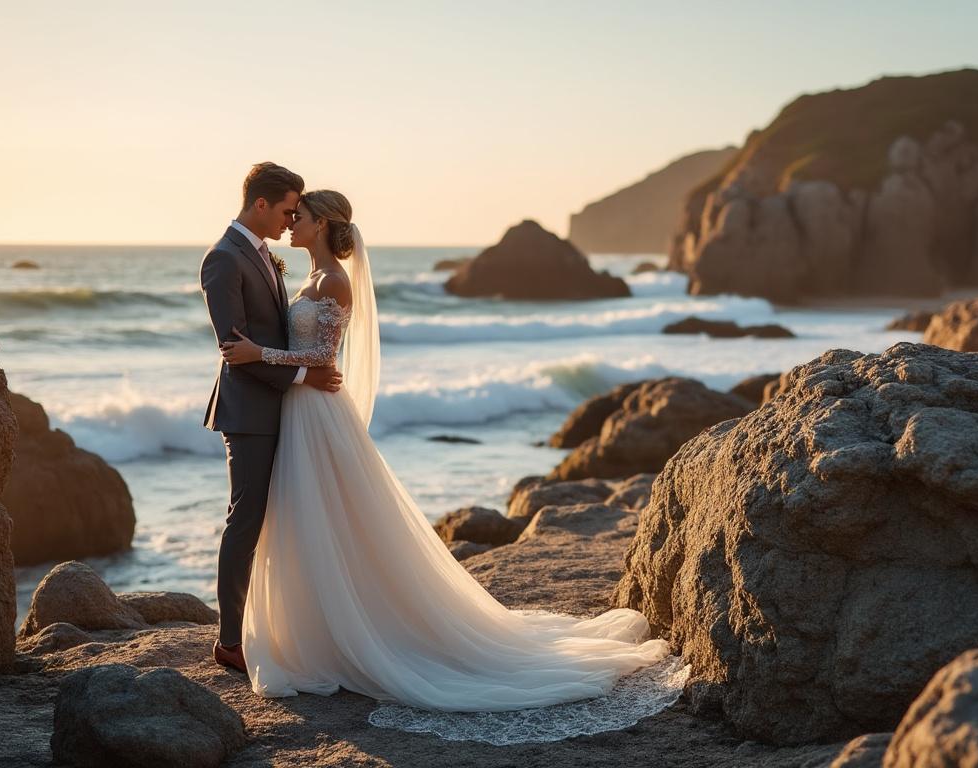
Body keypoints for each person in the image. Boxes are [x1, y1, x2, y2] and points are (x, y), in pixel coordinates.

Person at [218, 189, 683, 743]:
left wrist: (261, 356)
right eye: (290, 215)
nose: (292, 224)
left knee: (328, 517)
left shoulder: (334, 281)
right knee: (306, 518)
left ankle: (348, 631)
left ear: (321, 226)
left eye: (301, 217)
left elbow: (323, 360)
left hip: (316, 412)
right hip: (301, 410)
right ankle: (315, 628)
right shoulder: (311, 277)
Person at [199, 163, 343, 674]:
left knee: (288, 517)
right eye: (286, 210)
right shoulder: (223, 259)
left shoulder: (263, 255)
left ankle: (295, 623)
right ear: (260, 205)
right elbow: (236, 347)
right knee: (246, 519)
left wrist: (303, 377)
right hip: (250, 411)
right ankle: (230, 640)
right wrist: (304, 377)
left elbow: (275, 339)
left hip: (285, 408)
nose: (289, 220)